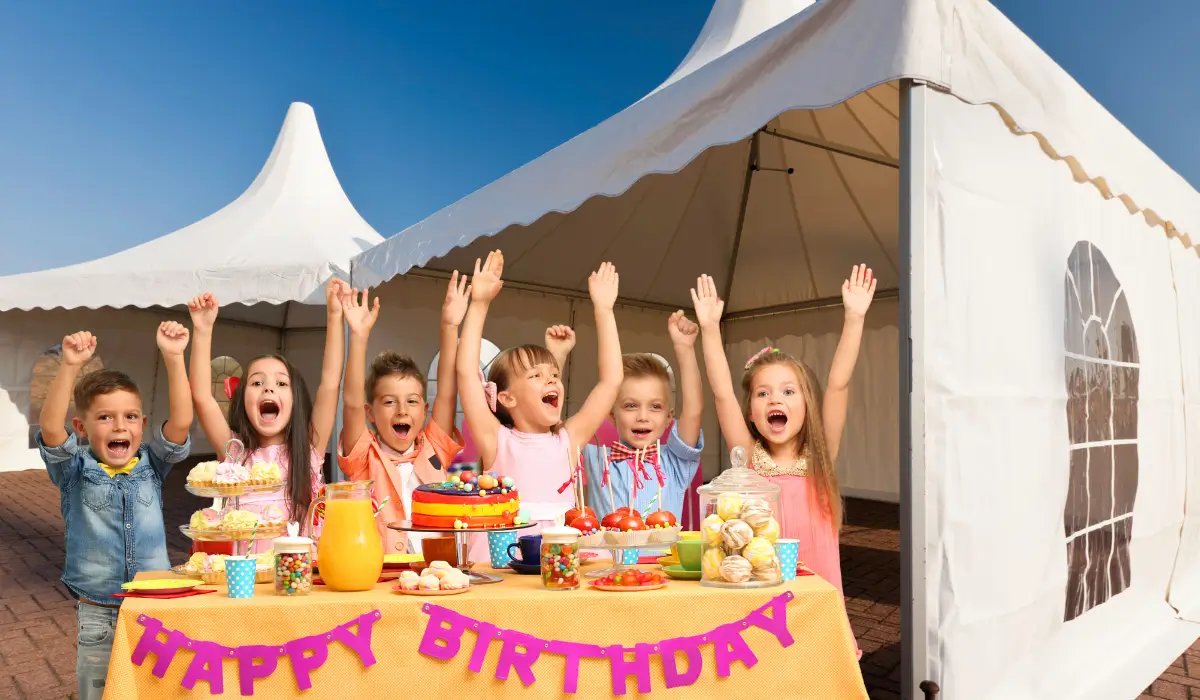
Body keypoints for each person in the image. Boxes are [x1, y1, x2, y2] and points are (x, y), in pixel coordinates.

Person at [692, 265, 876, 658]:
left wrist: (855, 318)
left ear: (808, 405)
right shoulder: (749, 460)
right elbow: (723, 392)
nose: (775, 400)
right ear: (752, 414)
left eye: (788, 391)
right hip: (760, 605)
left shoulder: (820, 457)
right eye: (762, 394)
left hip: (818, 604)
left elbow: (840, 382)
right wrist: (709, 329)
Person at [37, 324, 193, 700]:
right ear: (83, 427)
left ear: (141, 423)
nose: (120, 425)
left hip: (155, 606)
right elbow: (49, 429)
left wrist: (173, 358)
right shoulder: (74, 471)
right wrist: (70, 366)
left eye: (130, 416)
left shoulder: (152, 465)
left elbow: (182, 423)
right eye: (105, 417)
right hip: (99, 614)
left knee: (160, 691)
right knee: (102, 694)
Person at [456, 251, 623, 555]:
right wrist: (479, 304)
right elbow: (466, 373)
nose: (552, 380)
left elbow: (611, 381)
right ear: (506, 397)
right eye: (536, 375)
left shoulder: (568, 441)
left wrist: (604, 310)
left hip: (566, 551)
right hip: (509, 552)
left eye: (555, 374)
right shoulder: (497, 440)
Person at [187, 279, 348, 550]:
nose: (269, 387)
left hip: (296, 575)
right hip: (245, 579)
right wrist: (202, 330)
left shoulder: (308, 449)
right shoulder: (234, 454)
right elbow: (202, 397)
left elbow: (331, 383)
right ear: (241, 401)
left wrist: (334, 316)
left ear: (295, 402)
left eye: (281, 383)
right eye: (257, 382)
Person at [337, 276, 469, 555]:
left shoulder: (434, 446)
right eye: (389, 402)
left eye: (411, 401)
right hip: (379, 575)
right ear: (370, 413)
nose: (402, 410)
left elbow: (446, 392)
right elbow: (350, 402)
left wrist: (450, 326)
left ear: (425, 410)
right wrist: (359, 337)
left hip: (436, 571)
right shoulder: (363, 456)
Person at [582, 312, 704, 544]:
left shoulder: (675, 463)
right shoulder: (595, 459)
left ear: (669, 418)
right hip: (606, 575)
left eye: (655, 407)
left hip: (662, 574)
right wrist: (604, 310)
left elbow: (694, 411)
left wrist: (685, 348)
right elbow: (555, 436)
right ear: (610, 414)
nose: (643, 417)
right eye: (630, 406)